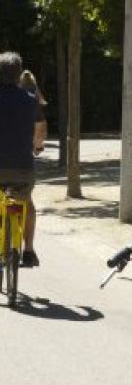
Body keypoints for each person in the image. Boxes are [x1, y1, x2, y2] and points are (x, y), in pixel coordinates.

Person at [0, 52, 46, 268]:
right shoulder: (30, 101)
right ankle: (28, 250)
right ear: (19, 75)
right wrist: (37, 148)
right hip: (22, 169)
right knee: (27, 202)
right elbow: (40, 132)